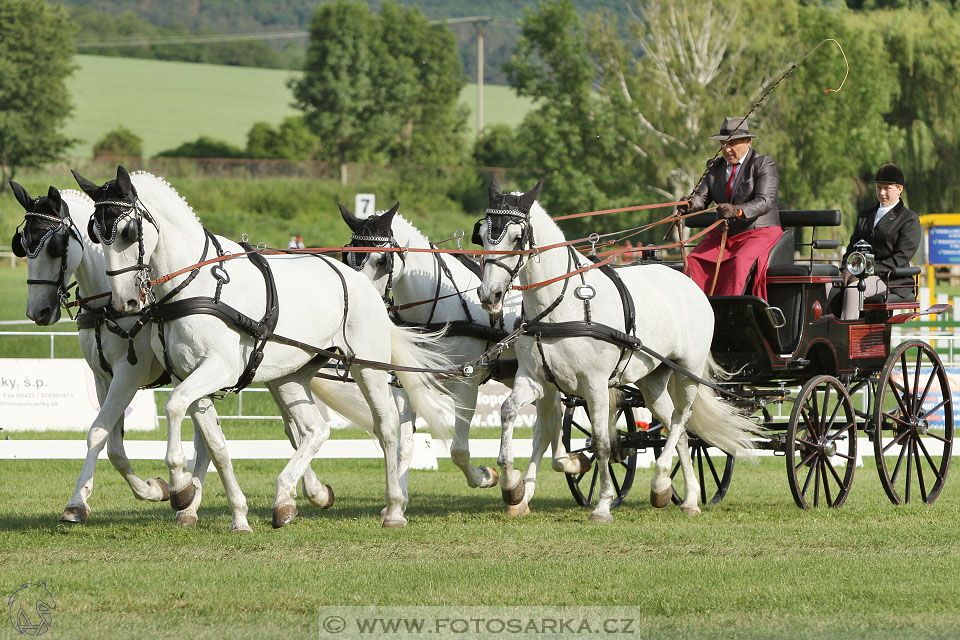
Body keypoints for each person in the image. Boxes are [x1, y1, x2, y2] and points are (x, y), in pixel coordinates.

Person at [681, 117, 782, 298]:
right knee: (693, 261)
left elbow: (765, 200)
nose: (726, 149)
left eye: (732, 143)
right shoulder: (714, 167)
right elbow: (701, 198)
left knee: (739, 261)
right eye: (723, 143)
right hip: (725, 233)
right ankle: (696, 309)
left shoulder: (763, 164)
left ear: (747, 141)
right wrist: (689, 204)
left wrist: (737, 210)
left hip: (758, 230)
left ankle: (731, 312)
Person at [838, 163, 920, 320]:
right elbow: (852, 248)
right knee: (828, 287)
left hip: (891, 278)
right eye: (878, 188)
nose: (882, 192)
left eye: (887, 188)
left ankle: (846, 341)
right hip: (860, 274)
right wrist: (846, 269)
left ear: (899, 189)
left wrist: (865, 270)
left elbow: (901, 257)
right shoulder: (865, 215)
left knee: (854, 290)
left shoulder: (909, 219)